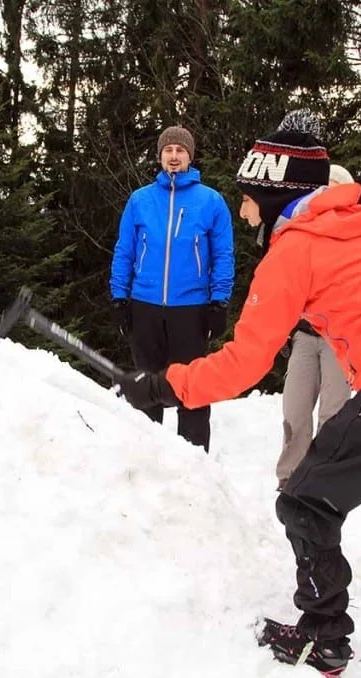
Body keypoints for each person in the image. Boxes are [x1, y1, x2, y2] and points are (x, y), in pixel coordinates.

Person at [119, 110, 361, 678]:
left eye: (248, 198)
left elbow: (244, 363)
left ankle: (326, 637)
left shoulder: (292, 250)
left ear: (273, 194)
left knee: (303, 502)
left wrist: (165, 384)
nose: (243, 211)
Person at [109, 125, 235, 452]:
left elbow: (222, 254)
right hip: (144, 304)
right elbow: (125, 250)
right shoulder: (140, 200)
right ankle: (145, 456)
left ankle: (194, 461)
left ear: (190, 156)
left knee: (191, 388)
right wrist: (119, 298)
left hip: (191, 309)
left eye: (180, 151)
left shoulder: (211, 201)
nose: (174, 156)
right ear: (160, 156)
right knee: (145, 384)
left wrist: (218, 303)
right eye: (168, 151)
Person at [276, 162, 354, 491]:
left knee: (333, 413)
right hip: (305, 336)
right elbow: (284, 286)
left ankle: (325, 479)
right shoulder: (301, 233)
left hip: (340, 336)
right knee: (295, 409)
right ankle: (290, 477)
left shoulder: (357, 233)